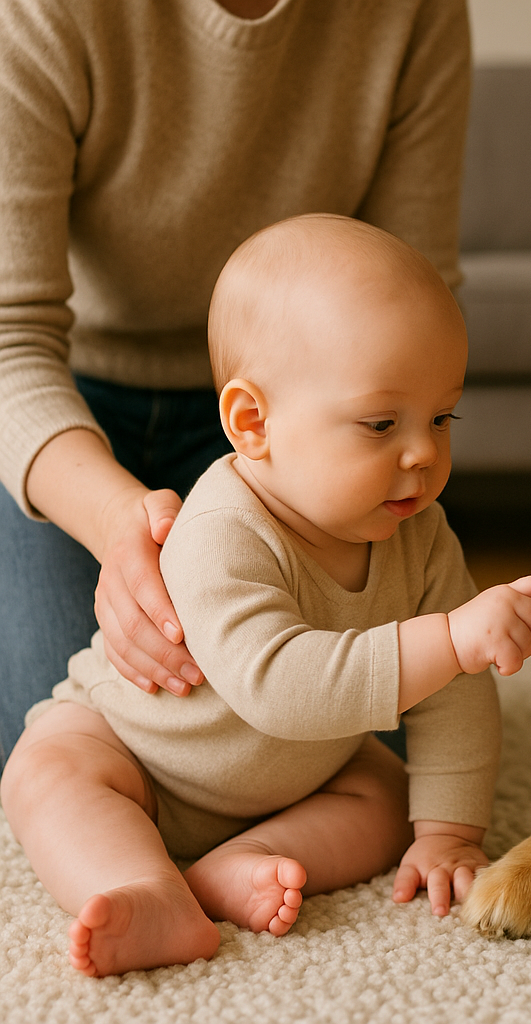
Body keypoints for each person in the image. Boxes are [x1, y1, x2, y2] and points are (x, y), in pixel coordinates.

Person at [0, 214, 531, 978]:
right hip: (143, 757)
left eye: (441, 418)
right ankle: (143, 887)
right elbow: (280, 687)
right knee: (43, 772)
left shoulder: (422, 535)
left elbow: (454, 696)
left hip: (299, 777)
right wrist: (454, 640)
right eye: (381, 423)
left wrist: (448, 832)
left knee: (382, 795)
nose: (424, 453)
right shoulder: (220, 529)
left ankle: (244, 861)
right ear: (253, 422)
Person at [0, 0, 472, 763]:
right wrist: (117, 520)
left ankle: (248, 864)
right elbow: (7, 336)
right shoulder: (45, 13)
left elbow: (417, 309)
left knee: (368, 728)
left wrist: (381, 430)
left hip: (305, 424)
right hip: (68, 408)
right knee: (60, 727)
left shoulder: (413, 15)